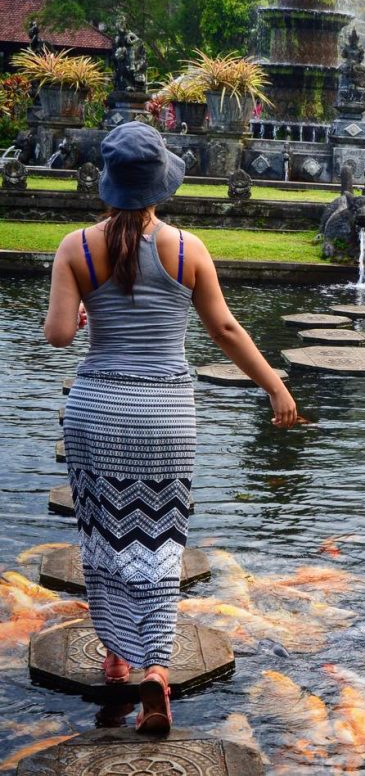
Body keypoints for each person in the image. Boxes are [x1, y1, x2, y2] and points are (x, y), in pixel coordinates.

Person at [43, 121, 297, 734]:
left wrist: (81, 312)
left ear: (108, 186)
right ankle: (156, 669)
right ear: (160, 186)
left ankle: (116, 652)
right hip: (164, 416)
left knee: (104, 536)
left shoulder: (76, 246)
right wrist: (275, 385)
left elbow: (57, 336)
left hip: (98, 410)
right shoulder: (188, 249)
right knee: (159, 542)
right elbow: (227, 331)